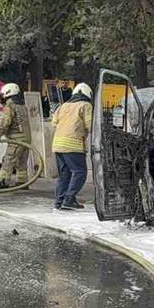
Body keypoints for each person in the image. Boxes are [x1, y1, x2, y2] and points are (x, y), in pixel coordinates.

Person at [52, 82, 93, 211]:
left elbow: (54, 123)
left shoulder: (63, 106)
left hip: (58, 144)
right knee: (80, 172)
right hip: (73, 145)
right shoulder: (85, 105)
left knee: (64, 174)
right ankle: (69, 199)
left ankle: (59, 201)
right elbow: (90, 125)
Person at [0, 83, 32, 190]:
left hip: (16, 139)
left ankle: (3, 181)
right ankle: (22, 182)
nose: (1, 99)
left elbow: (5, 124)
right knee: (21, 162)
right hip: (26, 139)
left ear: (8, 93)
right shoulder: (22, 106)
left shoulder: (10, 106)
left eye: (2, 96)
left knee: (8, 160)